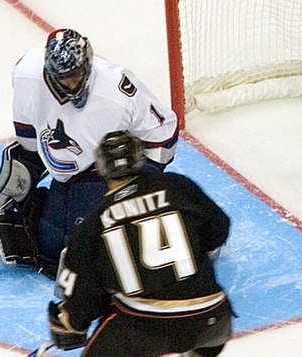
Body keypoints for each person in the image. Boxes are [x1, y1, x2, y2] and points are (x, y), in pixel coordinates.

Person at [0, 28, 178, 277]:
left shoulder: (116, 89)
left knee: (78, 249)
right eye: (64, 78)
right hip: (66, 171)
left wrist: (136, 185)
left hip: (108, 168)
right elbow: (28, 134)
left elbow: (163, 134)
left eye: (77, 74)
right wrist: (27, 168)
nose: (73, 84)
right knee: (51, 245)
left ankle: (160, 224)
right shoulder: (27, 75)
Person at [48, 130, 233, 357]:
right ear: (140, 159)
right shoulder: (178, 185)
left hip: (145, 330)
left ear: (102, 168)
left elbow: (84, 296)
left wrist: (71, 320)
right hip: (213, 319)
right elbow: (219, 229)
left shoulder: (94, 220)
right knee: (201, 337)